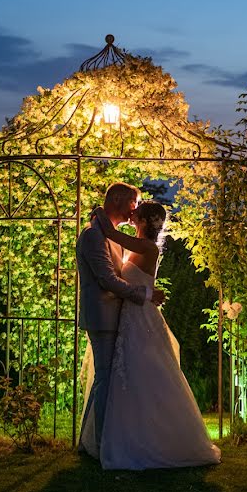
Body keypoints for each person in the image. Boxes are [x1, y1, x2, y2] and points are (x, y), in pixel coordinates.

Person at [85, 200, 221, 470]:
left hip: (141, 317)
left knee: (145, 374)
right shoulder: (136, 246)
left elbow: (110, 233)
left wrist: (100, 210)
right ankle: (130, 433)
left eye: (137, 213)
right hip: (129, 315)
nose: (132, 213)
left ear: (145, 222)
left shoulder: (146, 248)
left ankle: (154, 437)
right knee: (130, 378)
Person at [76, 182, 165, 459]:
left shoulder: (109, 234)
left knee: (112, 380)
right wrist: (146, 294)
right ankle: (98, 444)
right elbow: (106, 279)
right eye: (132, 203)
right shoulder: (94, 235)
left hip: (121, 318)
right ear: (116, 199)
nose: (134, 209)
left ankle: (98, 442)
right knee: (104, 379)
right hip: (103, 316)